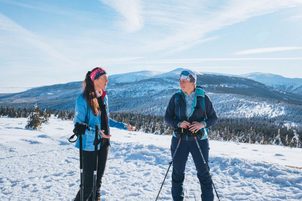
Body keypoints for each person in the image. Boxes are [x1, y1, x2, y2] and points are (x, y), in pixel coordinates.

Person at [73, 67, 135, 201]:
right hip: (89, 145)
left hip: (104, 144)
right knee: (88, 186)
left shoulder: (104, 97)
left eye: (107, 78)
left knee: (97, 184)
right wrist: (97, 132)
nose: (107, 80)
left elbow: (106, 119)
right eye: (104, 78)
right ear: (95, 80)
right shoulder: (82, 99)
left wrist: (124, 126)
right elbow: (78, 126)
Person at [165, 69, 218, 201]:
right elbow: (167, 118)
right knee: (177, 173)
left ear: (193, 82)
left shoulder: (203, 98)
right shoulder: (176, 97)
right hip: (179, 140)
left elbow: (213, 118)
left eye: (184, 81)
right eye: (180, 81)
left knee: (204, 173)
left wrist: (202, 124)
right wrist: (178, 124)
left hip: (199, 140)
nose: (181, 83)